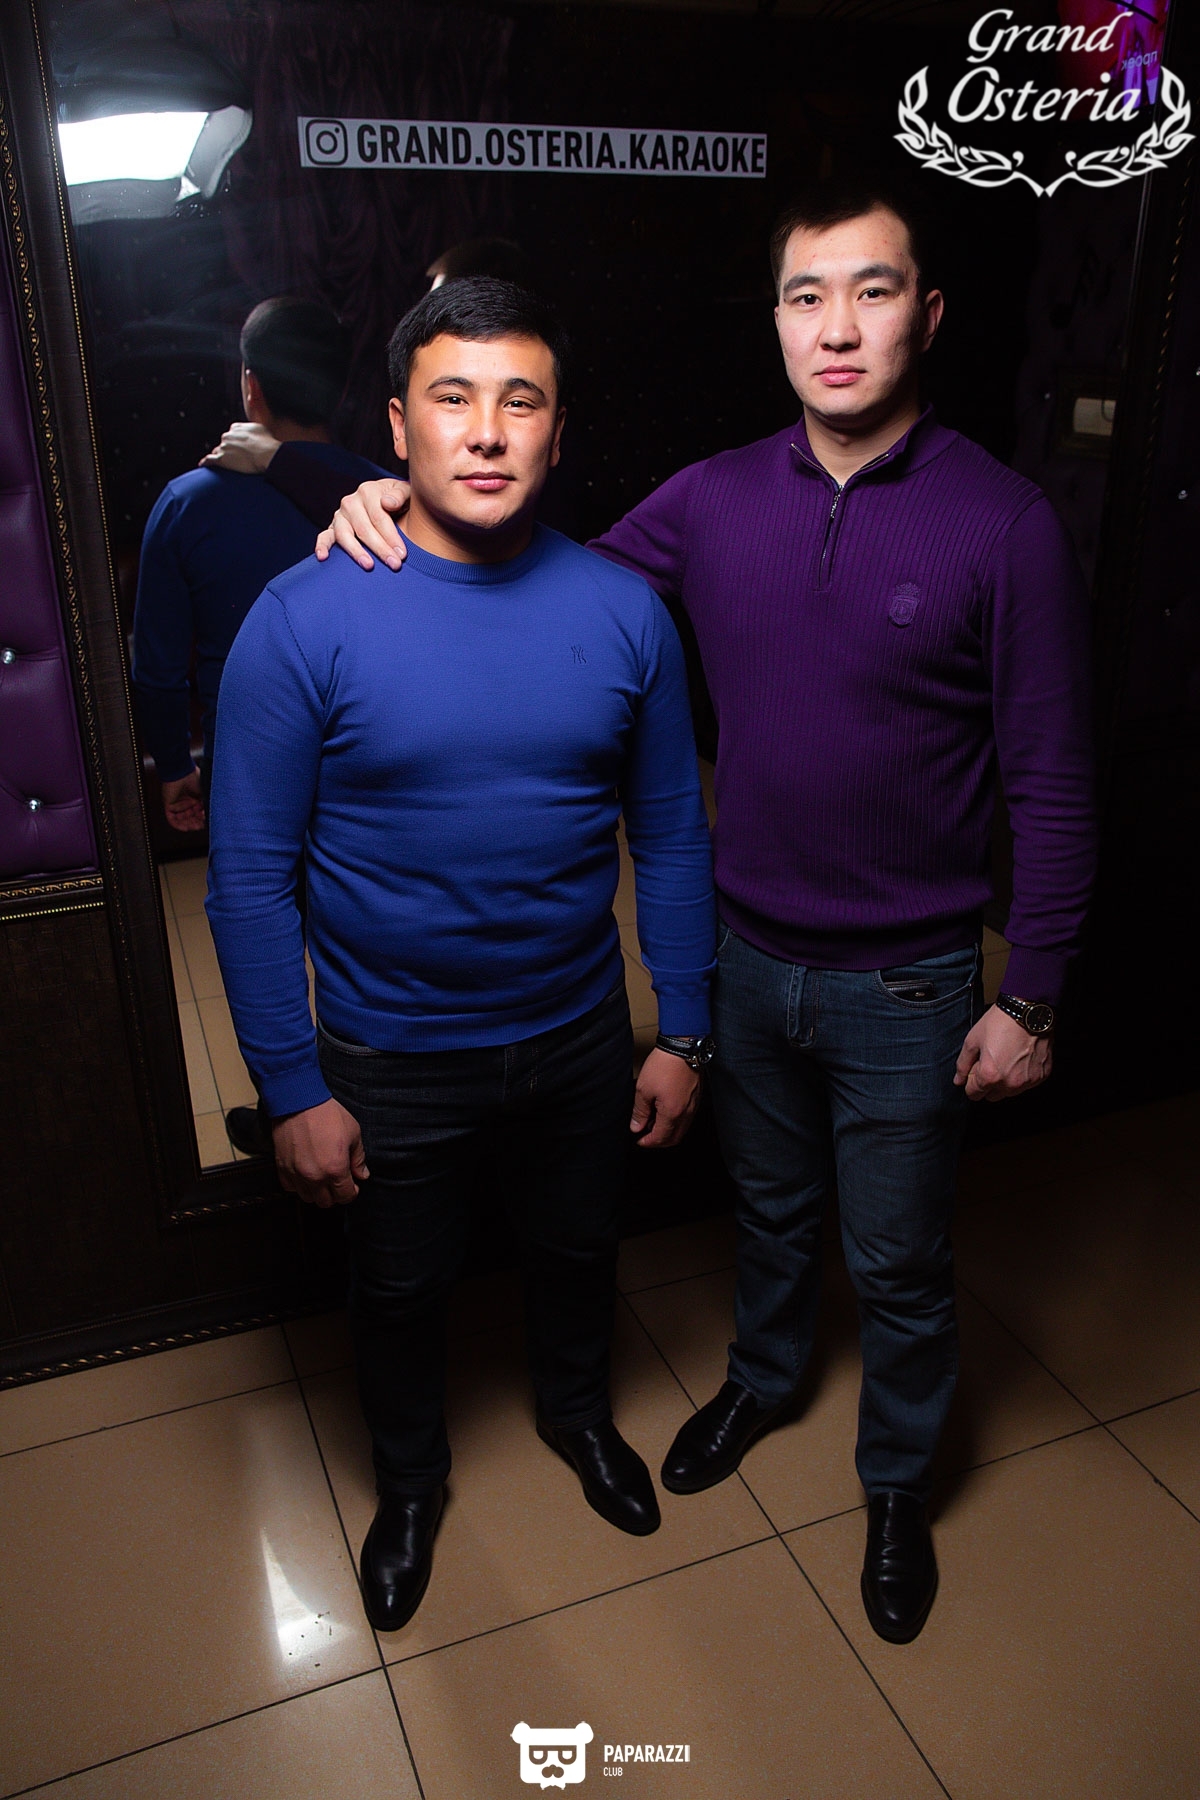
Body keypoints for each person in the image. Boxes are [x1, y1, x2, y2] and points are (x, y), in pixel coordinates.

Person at [314, 180, 1097, 1645]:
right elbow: (533, 572)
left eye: (872, 291)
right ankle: (762, 1380)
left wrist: (1032, 988)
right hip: (744, 958)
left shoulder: (1006, 524)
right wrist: (386, 496)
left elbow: (1055, 780)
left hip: (913, 983)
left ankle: (895, 1487)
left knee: (902, 1263)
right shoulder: (714, 495)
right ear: (778, 325)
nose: (837, 327)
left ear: (928, 316)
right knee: (773, 1215)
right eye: (807, 297)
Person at [204, 278, 716, 1633]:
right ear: (397, 427)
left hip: (577, 1032)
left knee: (578, 1248)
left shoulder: (626, 613)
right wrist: (291, 1085)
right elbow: (246, 879)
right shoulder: (303, 618)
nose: (486, 431)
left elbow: (672, 837)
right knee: (397, 1286)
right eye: (452, 398)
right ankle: (412, 1484)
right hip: (390, 1052)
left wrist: (685, 1028)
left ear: (556, 431)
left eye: (519, 401)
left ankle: (577, 1419)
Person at [132, 296, 385, 831]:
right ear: (341, 391)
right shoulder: (392, 495)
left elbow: (158, 668)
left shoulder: (185, 504)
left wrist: (175, 767)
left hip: (245, 765)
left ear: (252, 386)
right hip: (376, 756)